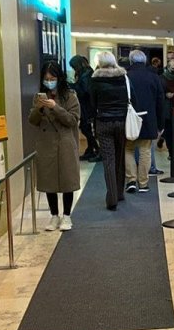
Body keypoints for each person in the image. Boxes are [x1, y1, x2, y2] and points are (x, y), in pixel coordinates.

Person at [28, 60, 81, 231]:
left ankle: (67, 215)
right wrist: (39, 108)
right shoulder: (39, 97)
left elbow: (72, 120)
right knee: (48, 180)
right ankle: (54, 215)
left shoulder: (70, 96)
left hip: (65, 143)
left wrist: (56, 107)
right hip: (46, 144)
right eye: (46, 79)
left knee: (67, 180)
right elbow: (32, 121)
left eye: (52, 78)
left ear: (59, 78)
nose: (49, 82)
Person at [123, 50, 165, 193]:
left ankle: (131, 180)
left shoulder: (125, 76)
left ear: (130, 60)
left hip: (129, 118)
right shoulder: (153, 77)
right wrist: (160, 124)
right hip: (148, 118)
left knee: (128, 149)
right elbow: (160, 101)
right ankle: (143, 183)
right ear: (145, 60)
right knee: (145, 151)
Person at [90, 52, 128, 210]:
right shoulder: (123, 78)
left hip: (103, 122)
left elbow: (92, 104)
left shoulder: (95, 80)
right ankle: (119, 192)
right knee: (120, 157)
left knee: (109, 160)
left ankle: (111, 198)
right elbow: (131, 98)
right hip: (122, 121)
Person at [69, 55, 99, 162]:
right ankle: (91, 149)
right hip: (87, 105)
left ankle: (96, 149)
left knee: (85, 128)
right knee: (86, 128)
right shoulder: (88, 72)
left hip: (87, 105)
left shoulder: (86, 75)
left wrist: (72, 86)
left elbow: (84, 91)